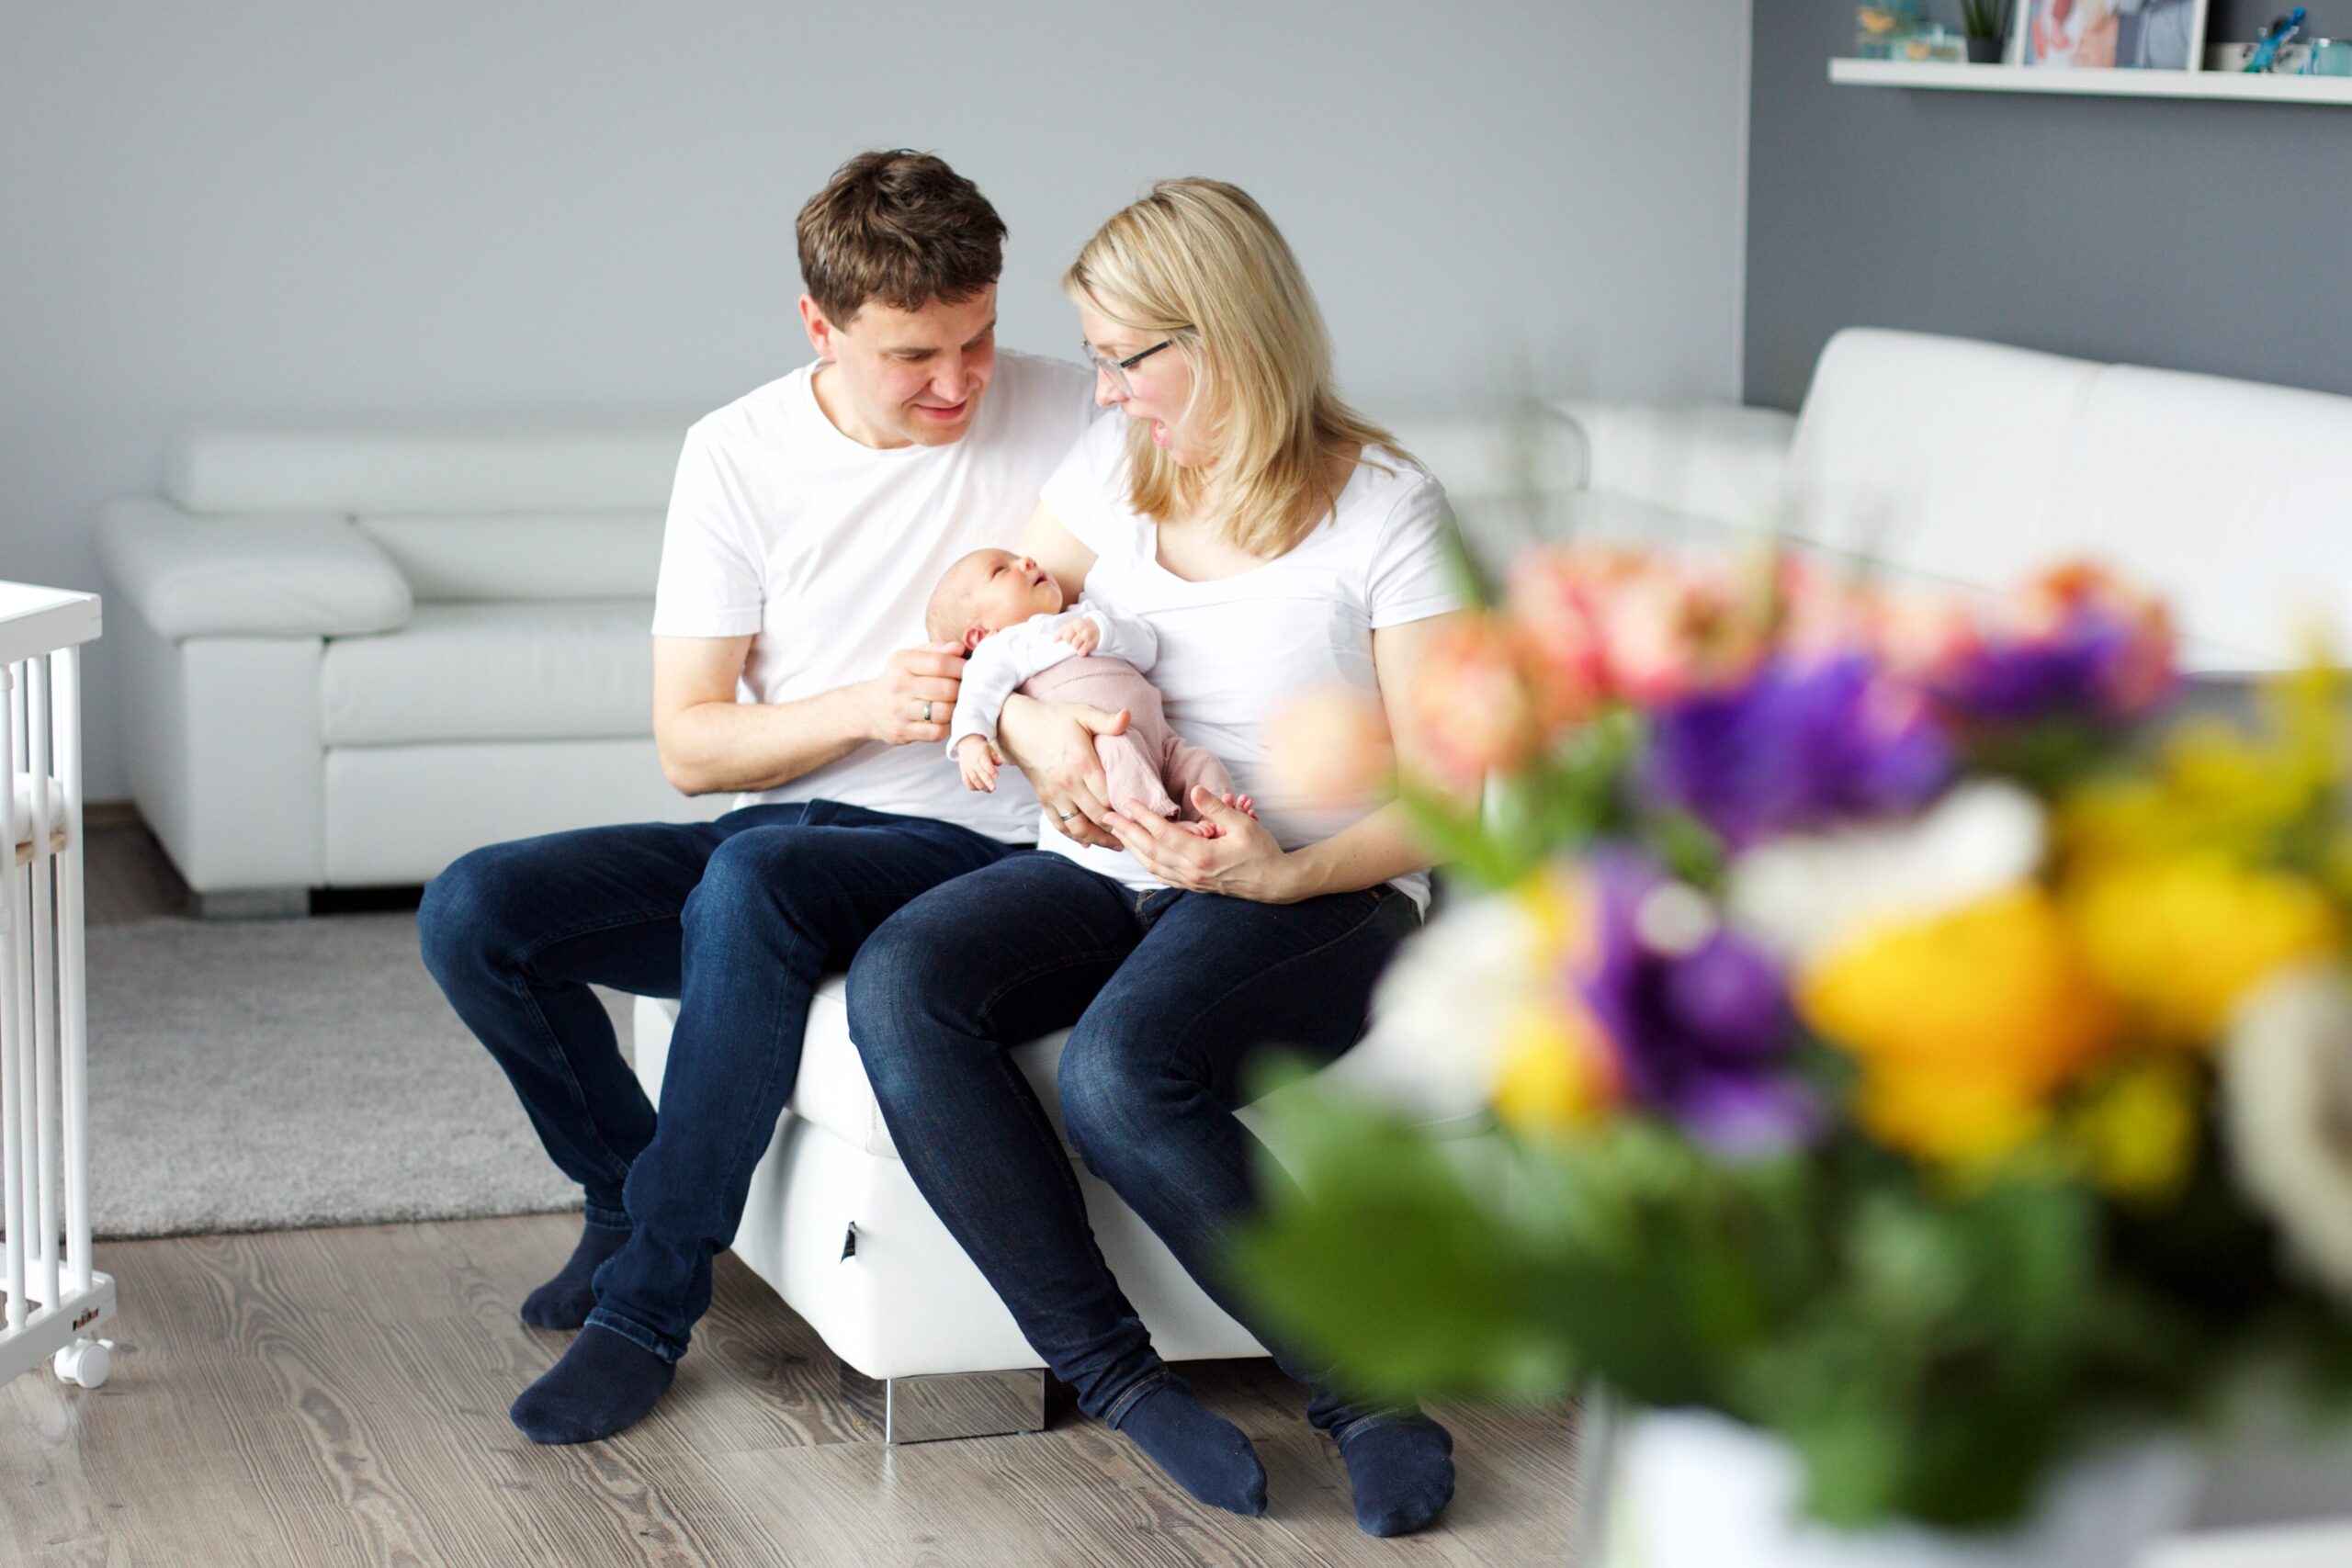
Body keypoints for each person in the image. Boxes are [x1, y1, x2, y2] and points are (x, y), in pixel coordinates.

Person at [416, 150, 1094, 1444]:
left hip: (970, 848)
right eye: (913, 356)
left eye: (979, 339)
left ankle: (648, 1303)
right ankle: (619, 1191)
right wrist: (862, 707)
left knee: (755, 873)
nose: (959, 382)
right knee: (476, 909)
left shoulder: (1076, 418)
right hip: (774, 841)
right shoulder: (737, 452)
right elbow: (691, 743)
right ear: (818, 326)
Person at [844, 179, 1472, 1538]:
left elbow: (1456, 795)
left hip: (1319, 886)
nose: (1107, 390)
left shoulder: (1388, 511)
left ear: (1228, 335)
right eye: (1098, 358)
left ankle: (1368, 1391)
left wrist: (1281, 874)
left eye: (1128, 358)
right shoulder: (1111, 472)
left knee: (1122, 1072)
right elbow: (984, 646)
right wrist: (1033, 734)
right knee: (903, 979)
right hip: (1110, 862)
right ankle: (1117, 1378)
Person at [927, 547, 1250, 830]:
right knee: (1118, 752)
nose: (1026, 561)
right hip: (1104, 742)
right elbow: (975, 694)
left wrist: (1103, 630)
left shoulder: (1087, 612)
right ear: (980, 634)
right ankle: (1163, 830)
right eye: (1000, 570)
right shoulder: (1004, 647)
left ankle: (1222, 821)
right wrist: (971, 740)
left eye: (1019, 558)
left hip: (1163, 741)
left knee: (1201, 763)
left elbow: (1146, 648)